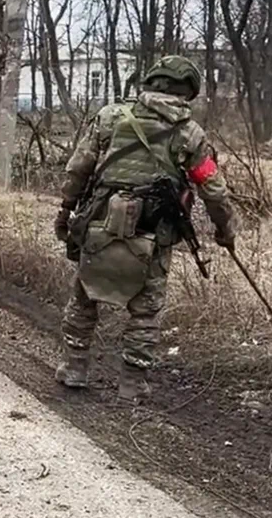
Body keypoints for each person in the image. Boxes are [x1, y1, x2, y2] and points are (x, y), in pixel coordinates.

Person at [53, 55, 236, 403]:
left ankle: (74, 367)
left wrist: (66, 208)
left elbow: (79, 168)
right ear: (188, 91)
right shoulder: (190, 134)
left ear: (151, 82)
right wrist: (225, 230)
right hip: (154, 231)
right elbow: (212, 189)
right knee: (146, 307)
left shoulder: (110, 116)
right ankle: (132, 383)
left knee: (85, 292)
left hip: (100, 220)